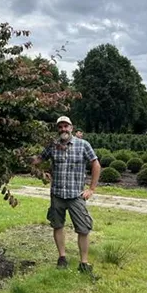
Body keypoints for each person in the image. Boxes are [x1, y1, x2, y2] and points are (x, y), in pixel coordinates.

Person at [31, 116, 101, 275]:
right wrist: (24, 161)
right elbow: (40, 158)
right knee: (58, 225)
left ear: (71, 127)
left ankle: (84, 263)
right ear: (58, 129)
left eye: (66, 126)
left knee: (83, 229)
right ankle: (62, 258)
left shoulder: (83, 145)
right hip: (57, 194)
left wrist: (91, 188)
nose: (63, 129)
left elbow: (95, 164)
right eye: (60, 126)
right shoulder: (53, 146)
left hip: (76, 195)